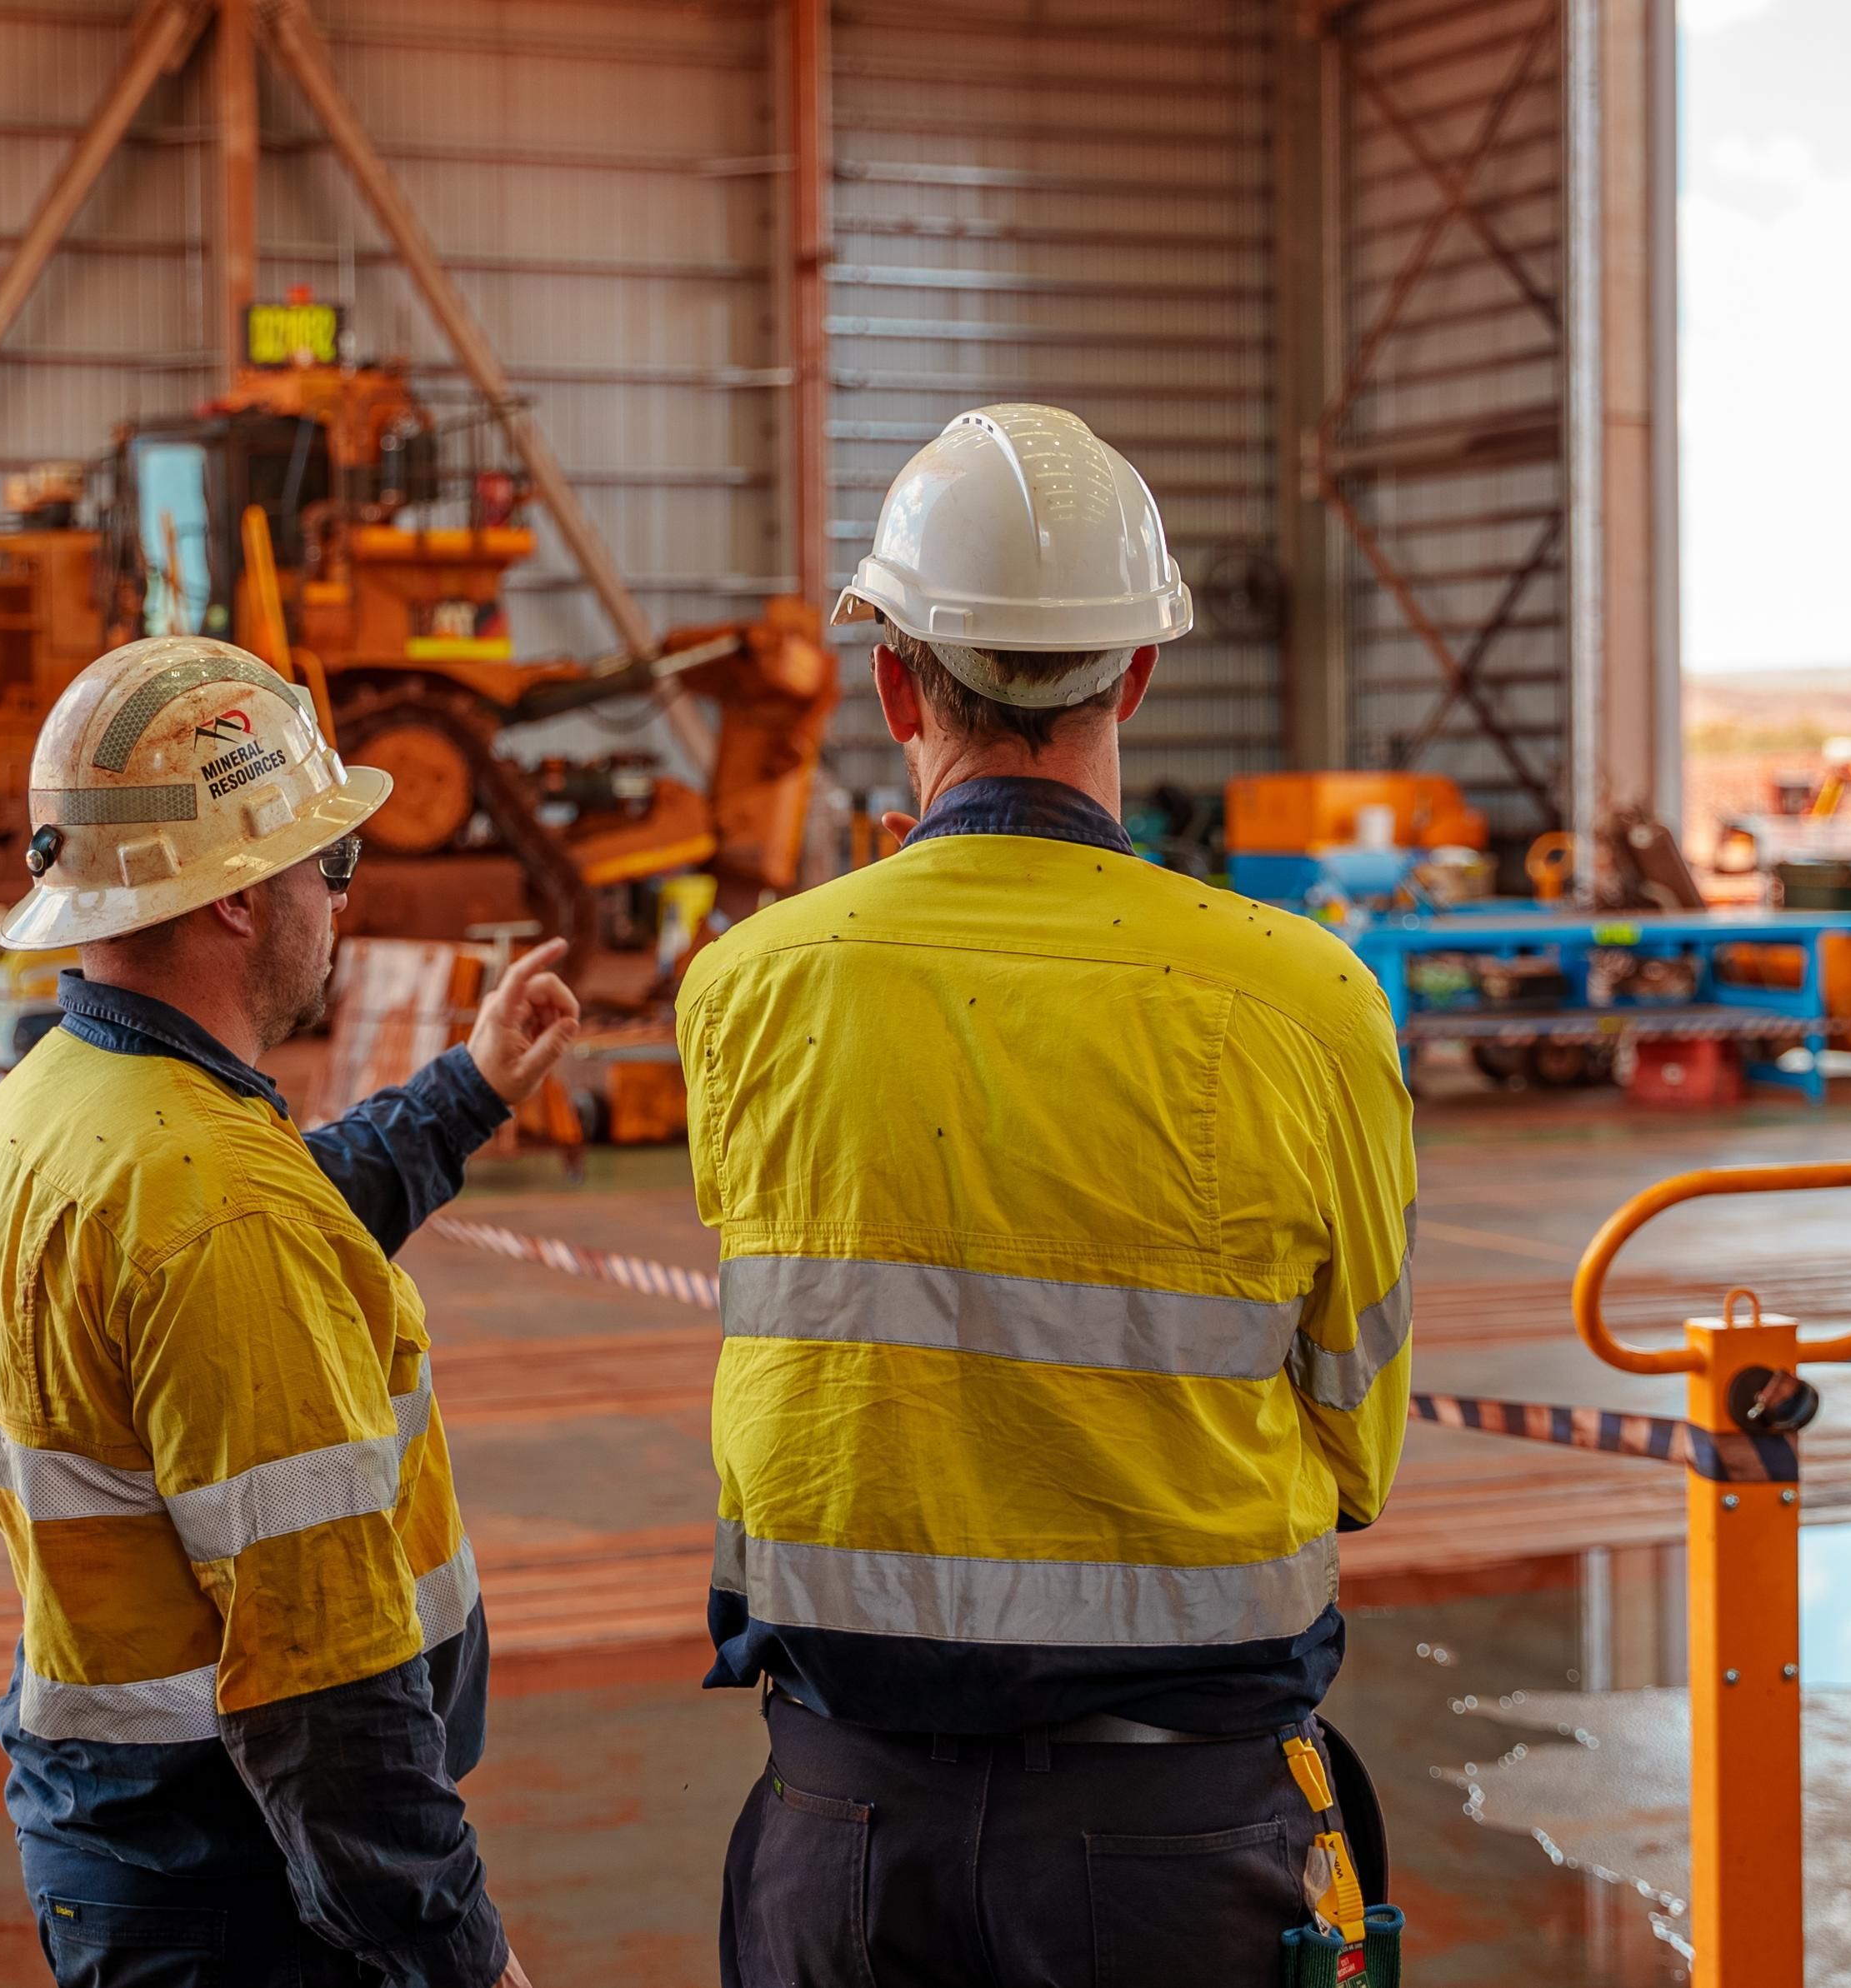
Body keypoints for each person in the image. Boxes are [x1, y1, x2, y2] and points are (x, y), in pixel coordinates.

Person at [678, 405, 1420, 1985]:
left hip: (845, 1822)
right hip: (1181, 1826)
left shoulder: (745, 989)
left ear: (893, 680)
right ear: (1138, 672)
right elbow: (1357, 1433)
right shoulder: (1309, 999)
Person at [0, 636, 577, 1988]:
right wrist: (461, 1961)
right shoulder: (216, 1206)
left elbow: (289, 1220)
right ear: (236, 896)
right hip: (251, 1890)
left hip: (120, 1851)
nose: (338, 898)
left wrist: (466, 1088)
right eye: (326, 863)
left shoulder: (39, 1118)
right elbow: (325, 1701)